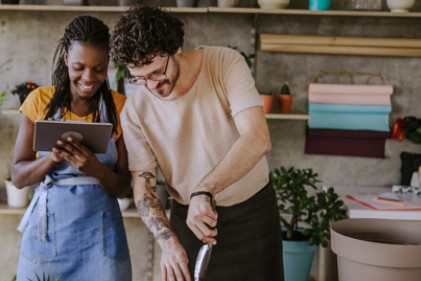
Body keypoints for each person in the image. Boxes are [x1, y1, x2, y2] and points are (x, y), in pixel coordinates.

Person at [110, 5, 284, 281]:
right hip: (189, 225)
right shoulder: (135, 110)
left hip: (253, 216)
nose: (152, 86)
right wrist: (168, 243)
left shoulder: (225, 64)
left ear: (176, 46)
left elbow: (258, 138)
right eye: (139, 78)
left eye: (156, 72)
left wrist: (204, 190)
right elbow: (144, 187)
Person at [12, 16, 132, 281]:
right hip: (49, 238)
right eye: (79, 66)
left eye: (99, 69)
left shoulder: (119, 107)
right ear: (66, 58)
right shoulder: (39, 102)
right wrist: (51, 159)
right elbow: (19, 177)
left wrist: (96, 170)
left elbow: (124, 186)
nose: (89, 77)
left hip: (101, 241)